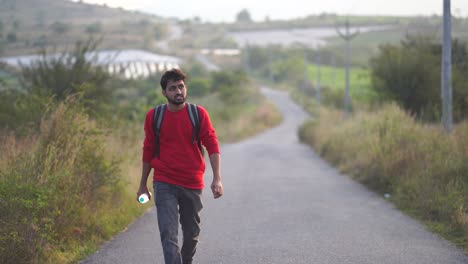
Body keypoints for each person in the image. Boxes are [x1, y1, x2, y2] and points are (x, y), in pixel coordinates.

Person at [137, 68, 223, 264]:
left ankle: (186, 260)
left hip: (192, 182)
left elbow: (212, 144)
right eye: (173, 88)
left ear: (186, 88)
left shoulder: (198, 114)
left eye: (181, 87)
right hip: (164, 181)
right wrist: (143, 184)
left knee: (191, 233)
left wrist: (217, 178)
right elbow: (148, 150)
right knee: (168, 234)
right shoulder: (154, 116)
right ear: (164, 93)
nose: (178, 92)